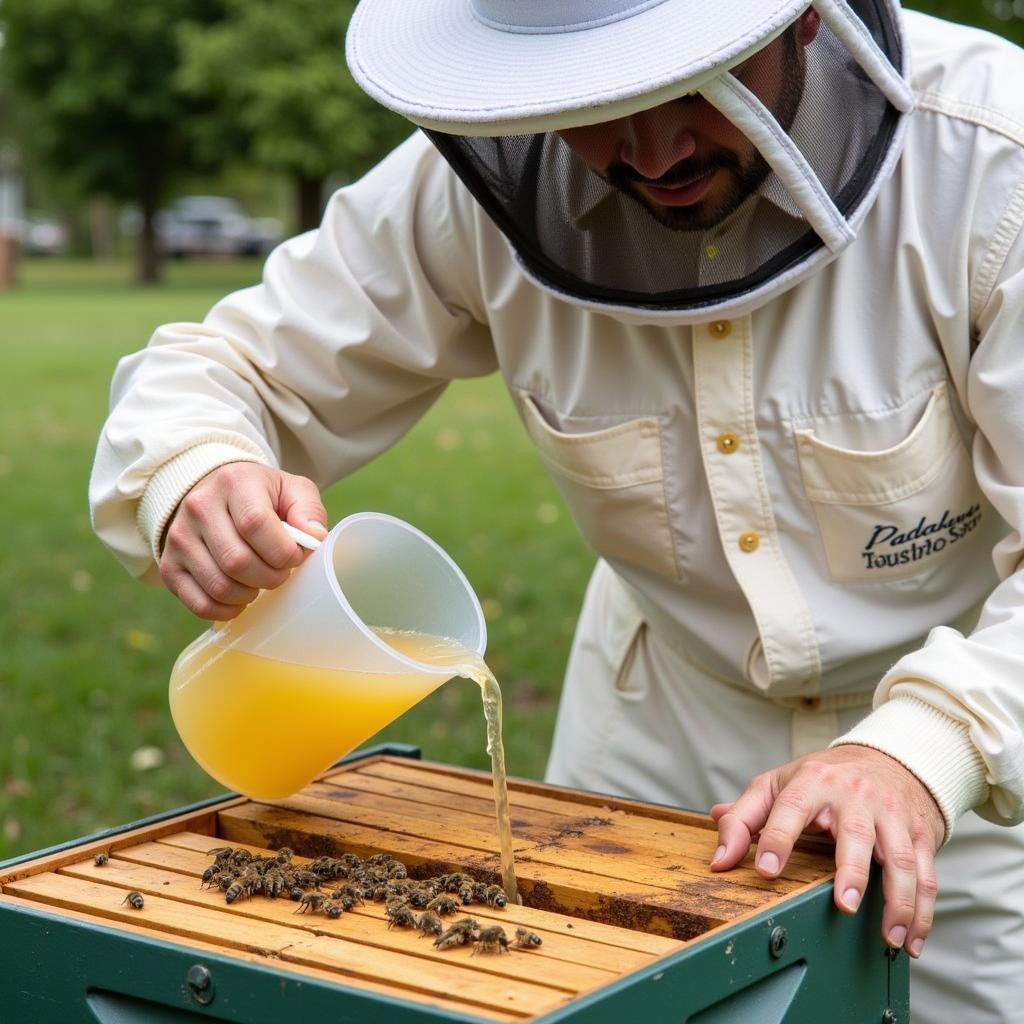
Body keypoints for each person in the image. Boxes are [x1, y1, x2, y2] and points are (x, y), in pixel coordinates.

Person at [90, 1, 1024, 1018]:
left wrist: (922, 750)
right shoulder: (466, 189)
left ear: (800, 17)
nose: (654, 147)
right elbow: (221, 366)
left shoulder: (990, 163)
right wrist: (196, 470)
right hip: (648, 743)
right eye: (602, 99)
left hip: (965, 767)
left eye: (695, 82)